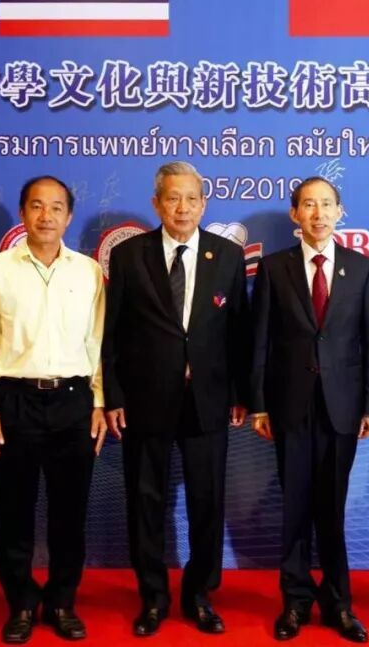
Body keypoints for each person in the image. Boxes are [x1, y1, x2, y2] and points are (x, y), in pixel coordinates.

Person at [102, 161, 250, 637]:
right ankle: (153, 597)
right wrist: (114, 395)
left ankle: (199, 594)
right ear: (156, 203)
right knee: (146, 500)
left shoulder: (227, 255)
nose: (182, 207)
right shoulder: (129, 255)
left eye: (191, 198)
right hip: (145, 399)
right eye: (172, 198)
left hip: (208, 399)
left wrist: (240, 393)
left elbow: (239, 332)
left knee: (207, 501)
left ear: (204, 203)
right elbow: (112, 333)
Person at [0, 176, 107, 644]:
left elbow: (98, 343)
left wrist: (99, 400)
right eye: (36, 206)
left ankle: (63, 601)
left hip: (74, 403)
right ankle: (22, 604)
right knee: (14, 513)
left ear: (70, 216)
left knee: (70, 513)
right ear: (22, 213)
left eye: (56, 207)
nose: (46, 216)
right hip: (14, 402)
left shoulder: (88, 271)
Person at [250, 176, 369, 643]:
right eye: (309, 204)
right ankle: (295, 600)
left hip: (342, 407)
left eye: (327, 204)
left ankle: (339, 604)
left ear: (340, 212)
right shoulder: (273, 268)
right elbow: (259, 341)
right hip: (290, 406)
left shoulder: (362, 269)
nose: (318, 213)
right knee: (294, 508)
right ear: (295, 214)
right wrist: (259, 405)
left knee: (332, 509)